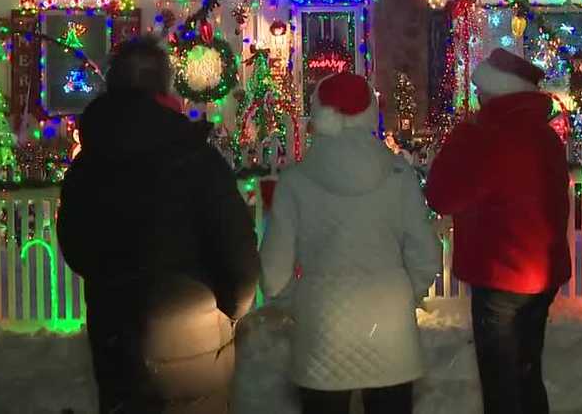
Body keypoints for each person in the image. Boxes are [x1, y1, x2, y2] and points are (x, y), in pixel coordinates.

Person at [58, 36, 259, 414]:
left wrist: (114, 283)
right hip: (195, 337)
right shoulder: (197, 158)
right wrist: (233, 307)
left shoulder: (87, 167)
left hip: (117, 336)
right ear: (163, 86)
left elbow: (76, 247)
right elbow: (238, 252)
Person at [259, 72, 441, 414]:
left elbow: (273, 271)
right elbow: (426, 256)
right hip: (389, 327)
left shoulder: (296, 181)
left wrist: (296, 302)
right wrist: (406, 293)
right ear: (370, 113)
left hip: (323, 323)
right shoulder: (398, 176)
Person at [425, 48, 571, 414]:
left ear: (494, 90)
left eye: (480, 89)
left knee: (501, 383)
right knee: (526, 371)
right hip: (542, 273)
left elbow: (442, 196)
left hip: (500, 274)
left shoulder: (485, 136)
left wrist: (456, 143)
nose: (476, 96)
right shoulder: (545, 136)